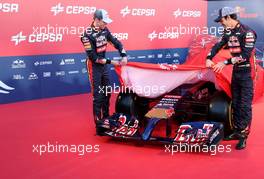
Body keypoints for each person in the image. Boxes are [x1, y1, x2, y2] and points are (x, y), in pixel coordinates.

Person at [206, 7, 257, 150]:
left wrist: (225, 63)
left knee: (244, 105)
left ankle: (243, 136)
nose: (221, 24)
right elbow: (218, 45)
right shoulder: (228, 31)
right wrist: (209, 58)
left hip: (247, 73)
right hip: (236, 73)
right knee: (235, 103)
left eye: (222, 21)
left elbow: (245, 56)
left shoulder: (248, 32)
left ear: (229, 18)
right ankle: (237, 131)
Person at [81, 9, 128, 125]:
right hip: (94, 66)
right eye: (104, 22)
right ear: (97, 20)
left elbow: (116, 43)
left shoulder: (105, 30)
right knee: (98, 96)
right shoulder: (86, 35)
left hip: (104, 65)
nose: (106, 24)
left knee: (107, 92)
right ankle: (98, 123)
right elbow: (94, 58)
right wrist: (112, 62)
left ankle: (106, 118)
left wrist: (124, 55)